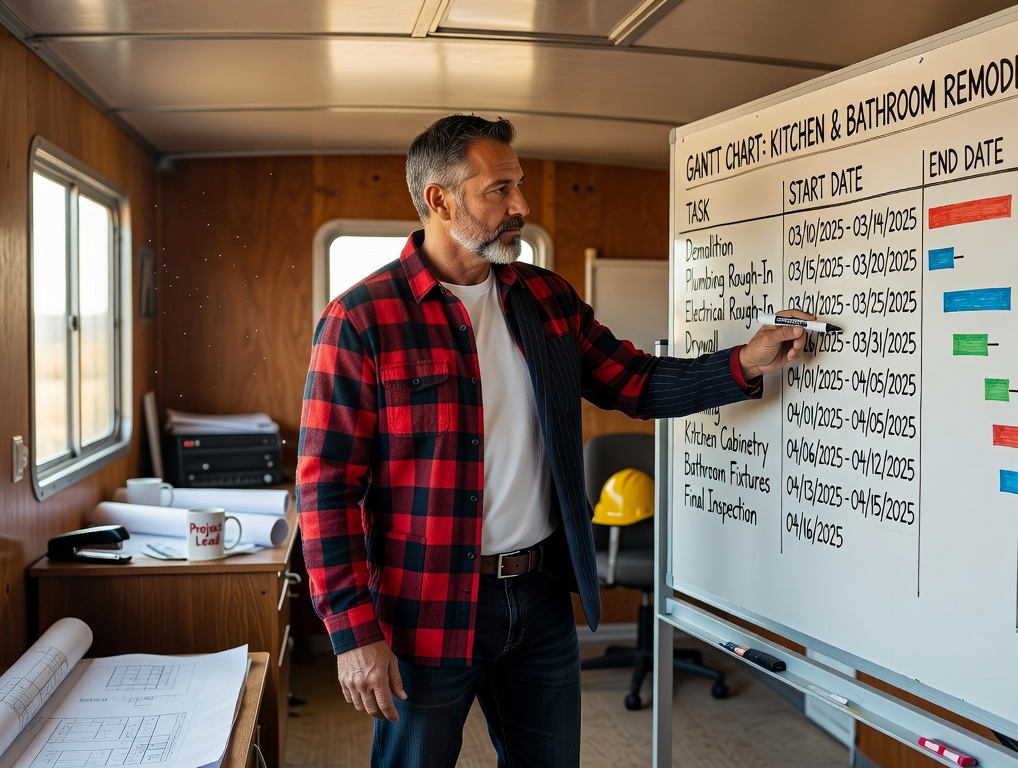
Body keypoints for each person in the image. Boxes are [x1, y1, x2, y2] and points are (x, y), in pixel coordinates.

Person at [296, 113, 810, 767]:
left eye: (520, 186)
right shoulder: (362, 318)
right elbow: (326, 487)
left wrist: (746, 362)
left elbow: (636, 383)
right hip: (423, 606)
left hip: (538, 599)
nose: (522, 206)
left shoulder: (547, 299)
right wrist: (351, 632)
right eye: (499, 190)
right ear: (439, 199)